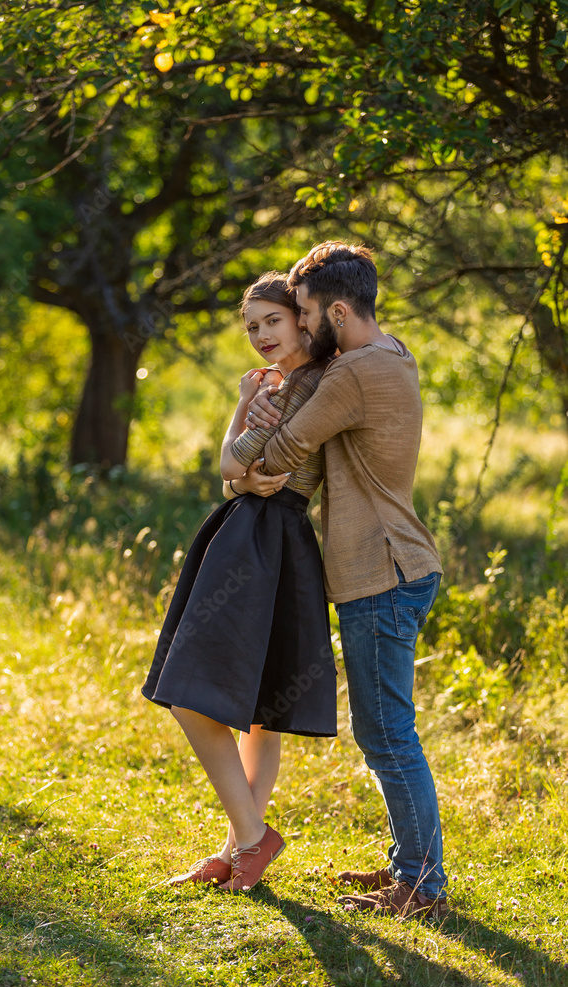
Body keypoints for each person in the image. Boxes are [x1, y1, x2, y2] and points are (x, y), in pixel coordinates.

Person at [245, 242, 448, 918]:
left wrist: (250, 425)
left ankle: (420, 886)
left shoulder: (353, 375)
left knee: (387, 734)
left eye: (303, 316)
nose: (298, 330)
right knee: (385, 730)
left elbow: (279, 455)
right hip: (394, 567)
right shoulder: (392, 353)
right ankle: (410, 866)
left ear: (336, 310)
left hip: (381, 574)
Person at [142, 272, 337, 894]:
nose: (259, 336)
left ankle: (252, 840)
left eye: (271, 321)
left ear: (303, 319)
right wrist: (238, 475)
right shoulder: (272, 384)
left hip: (268, 539)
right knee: (250, 707)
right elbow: (230, 467)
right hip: (250, 533)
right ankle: (239, 845)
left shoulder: (312, 384)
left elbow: (243, 459)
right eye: (251, 327)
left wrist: (241, 468)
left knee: (206, 695)